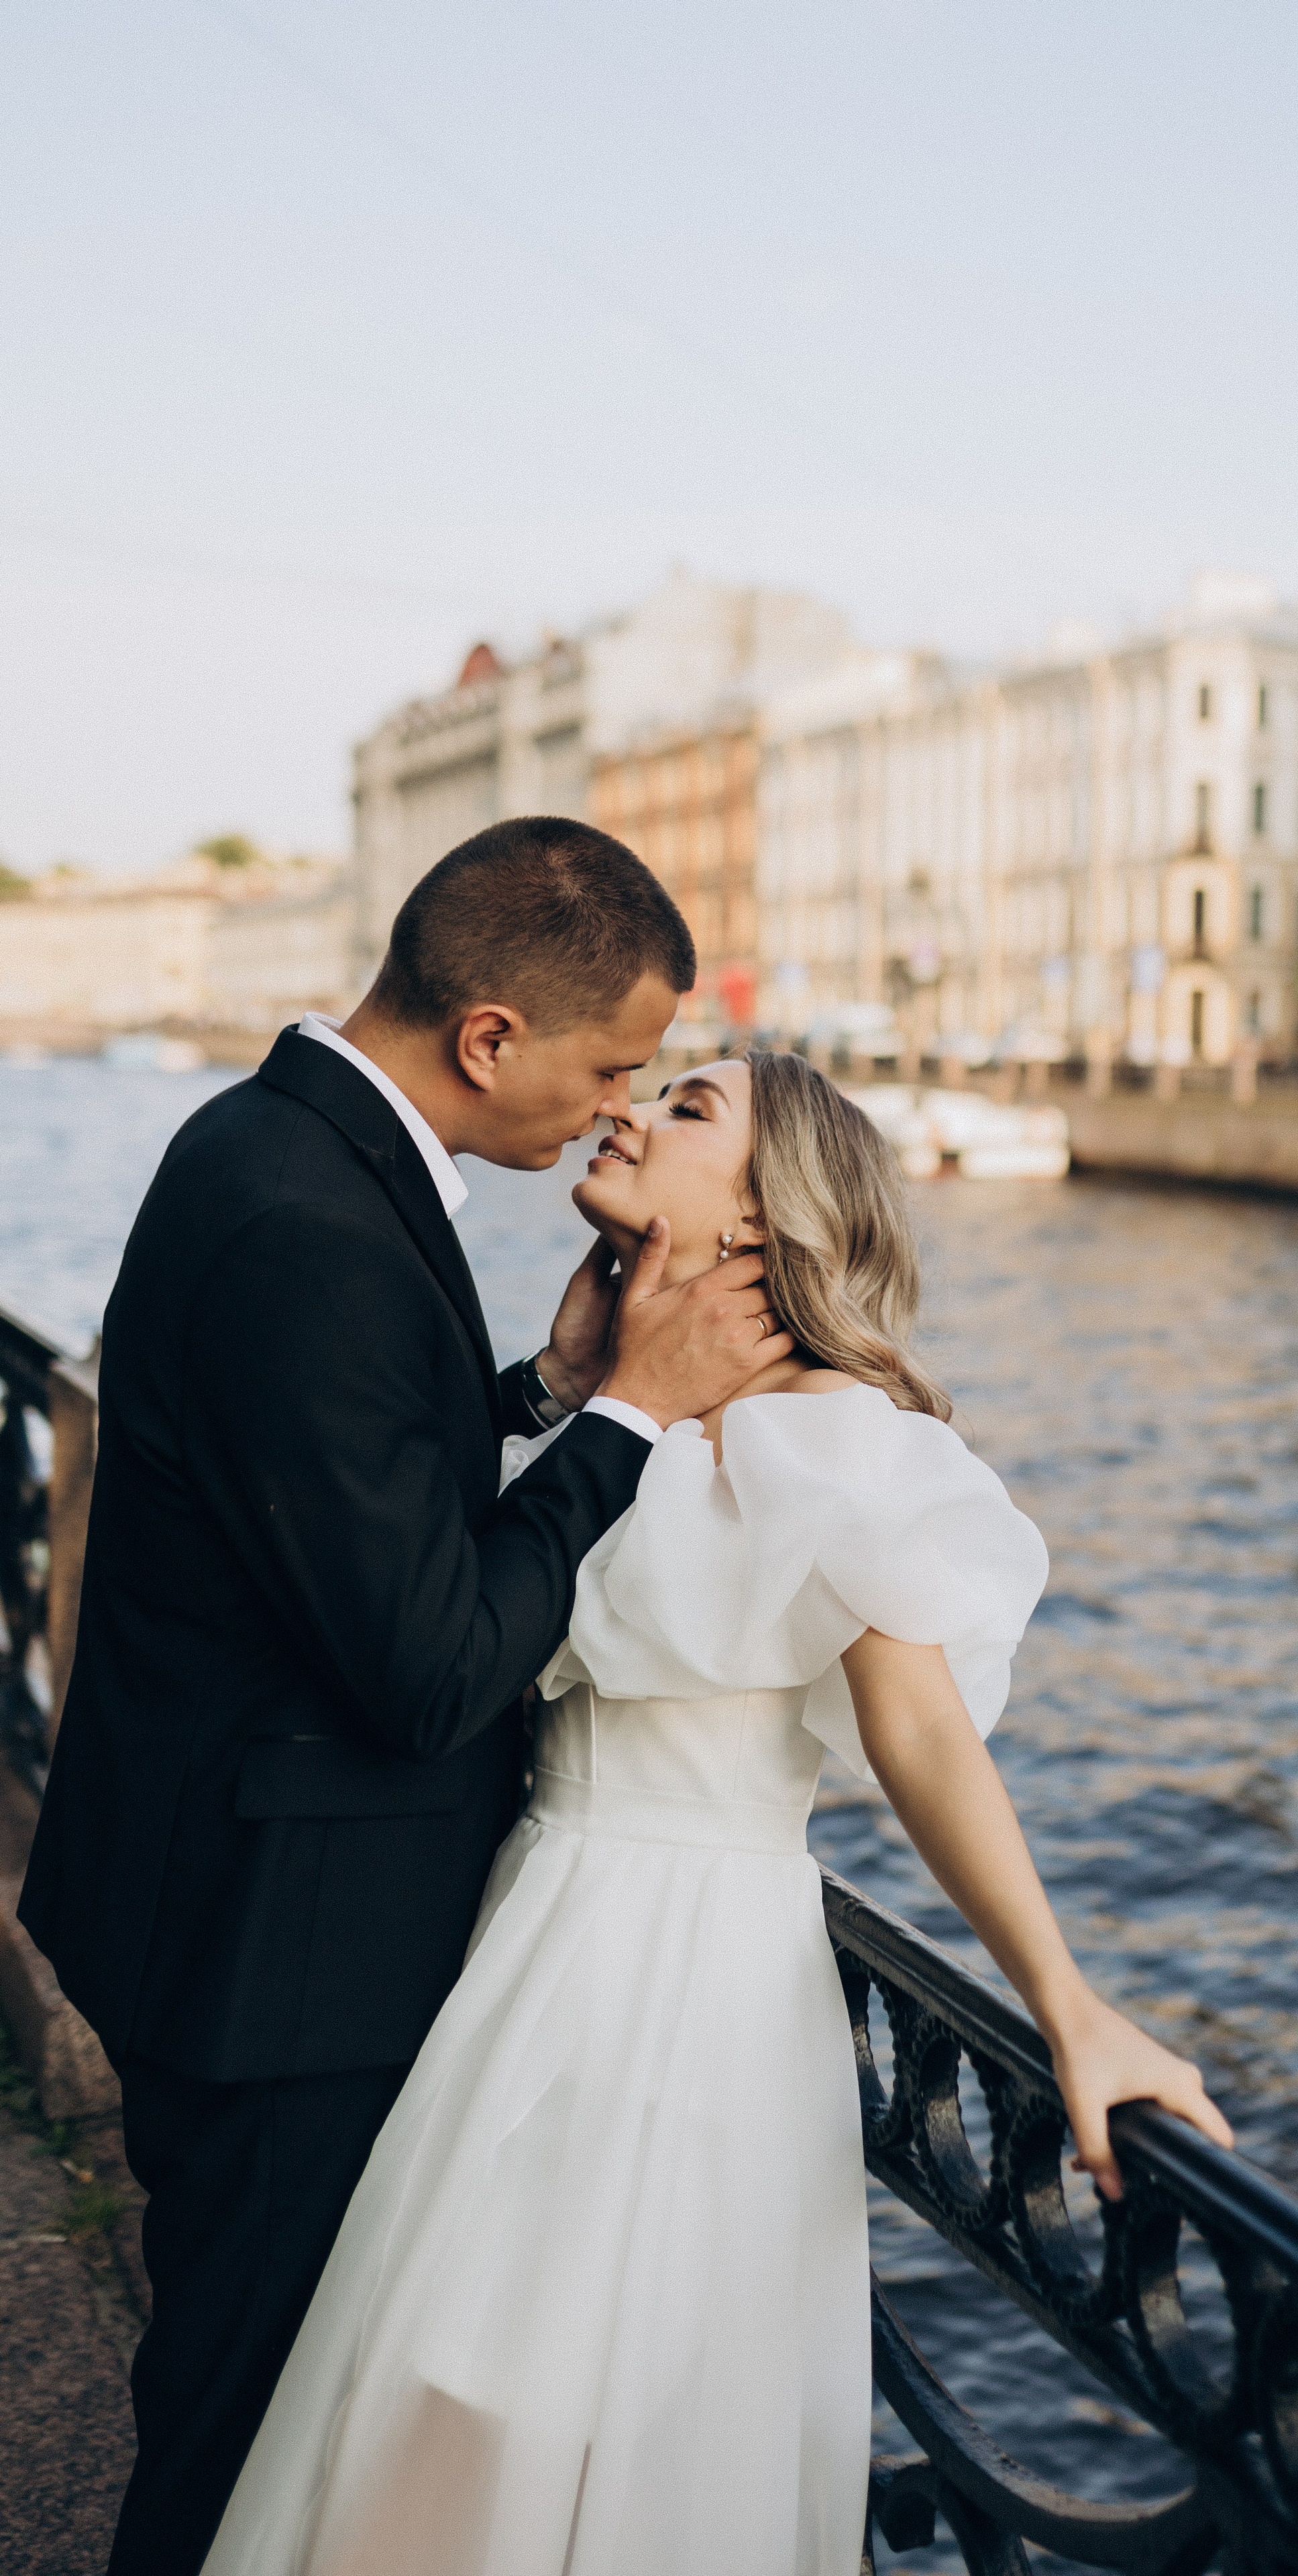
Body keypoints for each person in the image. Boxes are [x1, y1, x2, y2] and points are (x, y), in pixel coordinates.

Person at [203, 1046, 1233, 2576]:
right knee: (430, 2406)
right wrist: (571, 1390)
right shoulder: (609, 1408)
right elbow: (438, 1628)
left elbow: (920, 1735)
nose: (626, 1109)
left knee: (567, 2424)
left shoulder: (835, 1436)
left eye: (687, 1107)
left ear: (763, 1220)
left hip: (678, 1985)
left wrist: (1066, 2004)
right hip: (519, 1939)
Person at [19, 818, 794, 2576]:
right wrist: (630, 1421)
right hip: (277, 1966)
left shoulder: (276, 1149)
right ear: (492, 1036)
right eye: (613, 1064)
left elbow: (337, 1476)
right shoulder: (312, 1222)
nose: (615, 1106)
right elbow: (432, 1662)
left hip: (228, 1907)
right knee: (234, 2450)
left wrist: (539, 1386)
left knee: (253, 2414)